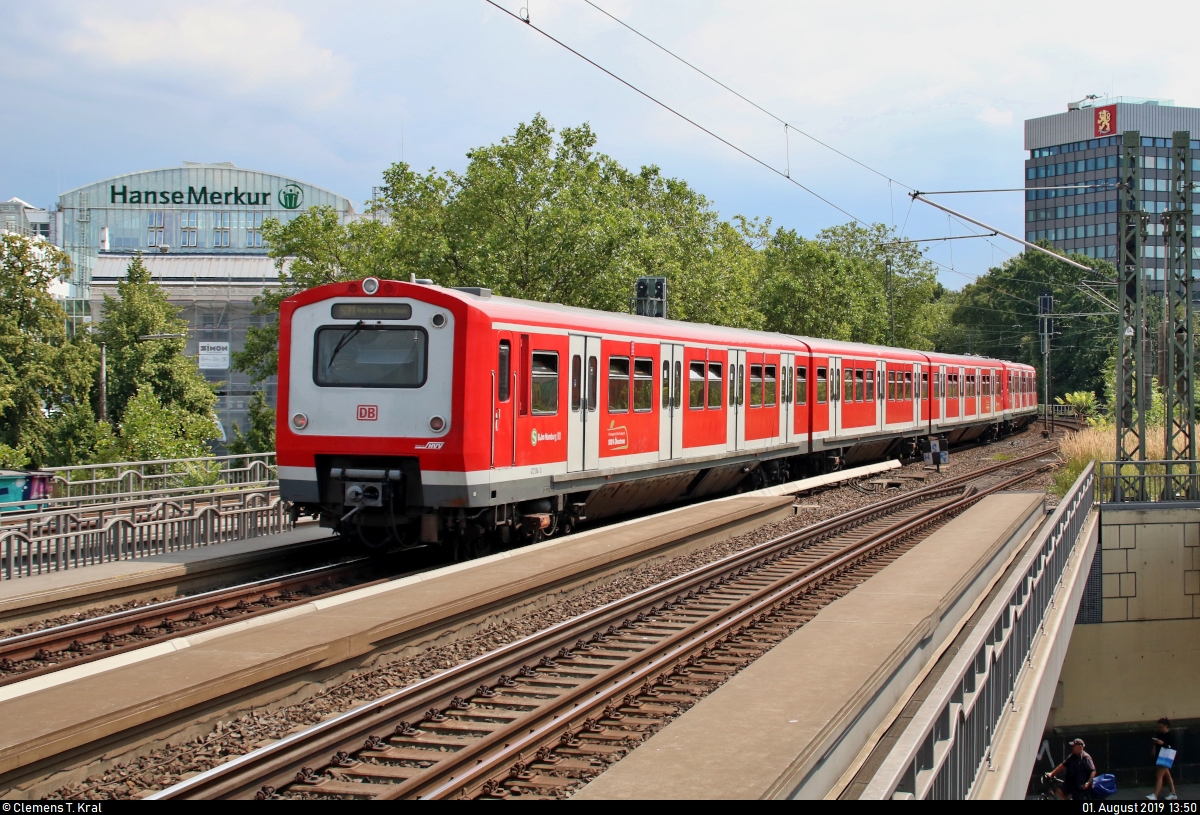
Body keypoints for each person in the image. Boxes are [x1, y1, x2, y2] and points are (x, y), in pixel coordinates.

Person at [1149, 717, 1178, 801]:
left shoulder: (1170, 735)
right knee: (1167, 775)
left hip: (1166, 757)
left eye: (1161, 727)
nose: (1160, 729)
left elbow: (1172, 747)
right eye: (1159, 727)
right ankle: (1173, 793)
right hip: (1160, 756)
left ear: (1166, 726)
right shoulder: (1159, 733)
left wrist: (1163, 744)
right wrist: (1154, 747)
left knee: (1159, 776)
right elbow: (1156, 743)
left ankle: (1155, 795)